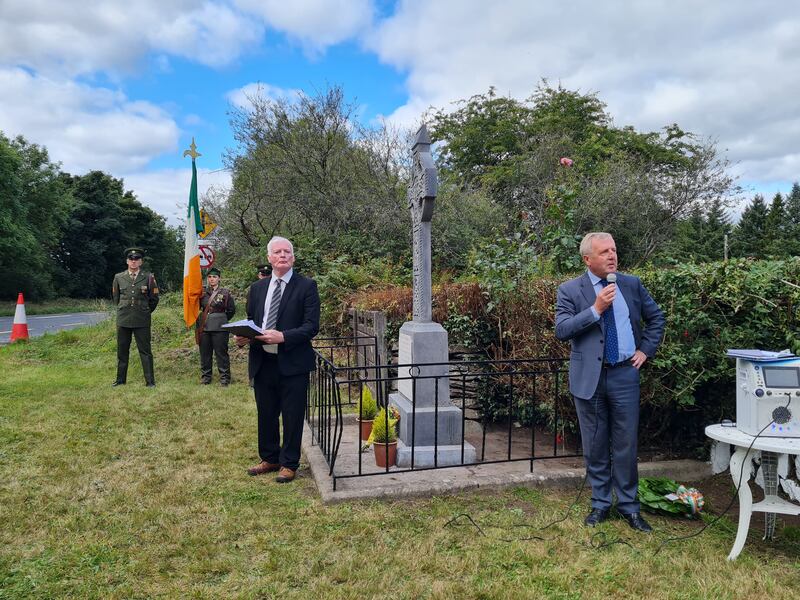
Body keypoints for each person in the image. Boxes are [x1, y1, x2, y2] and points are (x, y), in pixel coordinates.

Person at [555, 232, 665, 532]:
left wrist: (645, 350)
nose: (612, 256)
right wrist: (595, 309)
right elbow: (562, 330)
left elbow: (656, 319)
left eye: (613, 250)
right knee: (595, 445)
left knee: (626, 444)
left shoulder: (631, 284)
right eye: (604, 252)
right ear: (587, 259)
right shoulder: (569, 290)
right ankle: (601, 504)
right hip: (589, 378)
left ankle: (629, 507)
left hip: (624, 374)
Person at [236, 236, 320, 483]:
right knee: (266, 412)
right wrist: (244, 337)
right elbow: (252, 321)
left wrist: (283, 336)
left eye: (287, 252)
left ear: (293, 257)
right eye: (277, 252)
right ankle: (270, 458)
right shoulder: (257, 288)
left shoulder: (306, 286)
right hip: (262, 361)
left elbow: (311, 326)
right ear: (269, 258)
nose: (282, 255)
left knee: (292, 415)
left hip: (293, 362)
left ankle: (289, 463)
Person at [112, 247, 159, 387]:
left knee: (145, 351)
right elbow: (116, 298)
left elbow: (154, 298)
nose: (133, 261)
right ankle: (120, 380)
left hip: (142, 319)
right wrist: (123, 309)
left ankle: (150, 381)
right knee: (122, 350)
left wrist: (145, 311)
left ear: (141, 262)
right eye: (131, 259)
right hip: (123, 318)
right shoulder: (118, 277)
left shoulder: (148, 277)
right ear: (127, 261)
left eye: (136, 259)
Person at [198, 267, 236, 386]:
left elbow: (231, 310)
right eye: (209, 277)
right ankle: (206, 377)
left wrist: (221, 319)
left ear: (219, 278)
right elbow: (197, 307)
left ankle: (225, 378)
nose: (212, 279)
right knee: (205, 354)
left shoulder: (225, 292)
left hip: (220, 327)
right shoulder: (202, 293)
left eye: (214, 277)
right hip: (204, 326)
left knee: (221, 354)